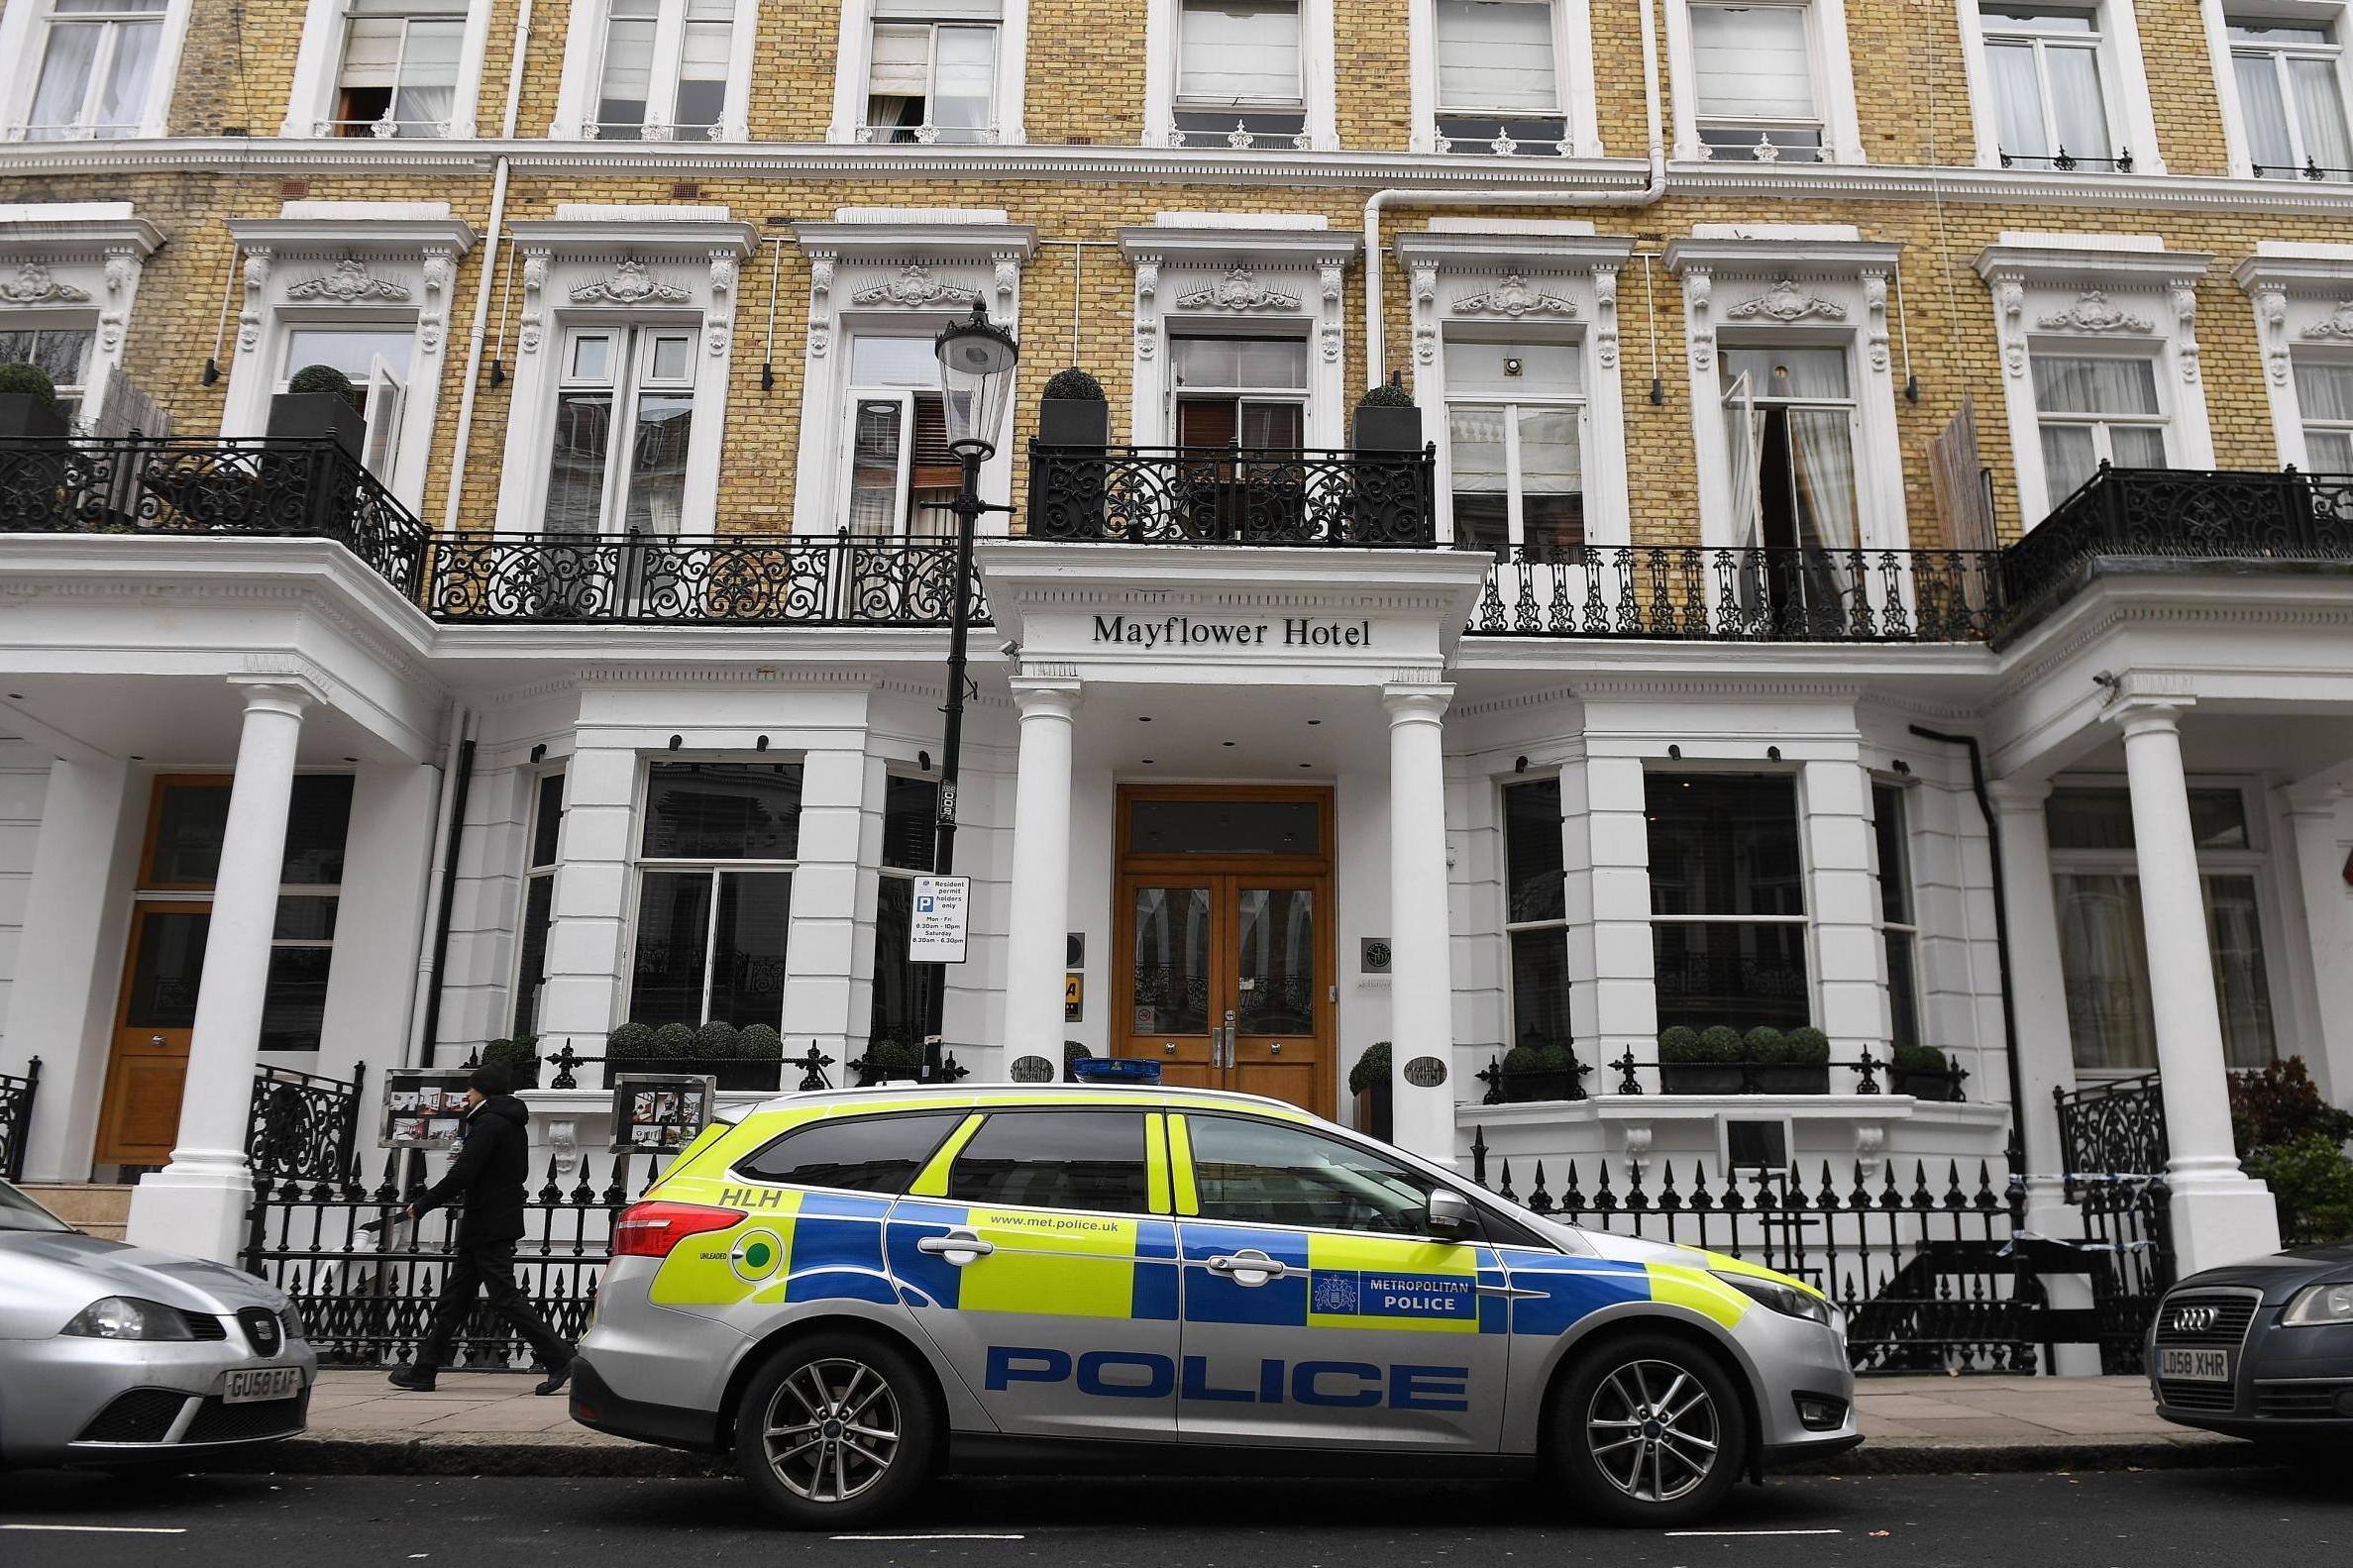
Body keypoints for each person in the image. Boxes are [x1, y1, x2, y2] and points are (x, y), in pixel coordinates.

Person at [387, 1064, 577, 1395]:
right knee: (455, 1299)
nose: (467, 1094)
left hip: (487, 1222)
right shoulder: (511, 1123)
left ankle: (559, 1357)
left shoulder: (489, 1123)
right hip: (490, 1220)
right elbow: (517, 1172)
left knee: (504, 1298)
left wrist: (423, 1203)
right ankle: (424, 1369)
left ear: (484, 1092)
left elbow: (464, 1172)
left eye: (472, 1089)